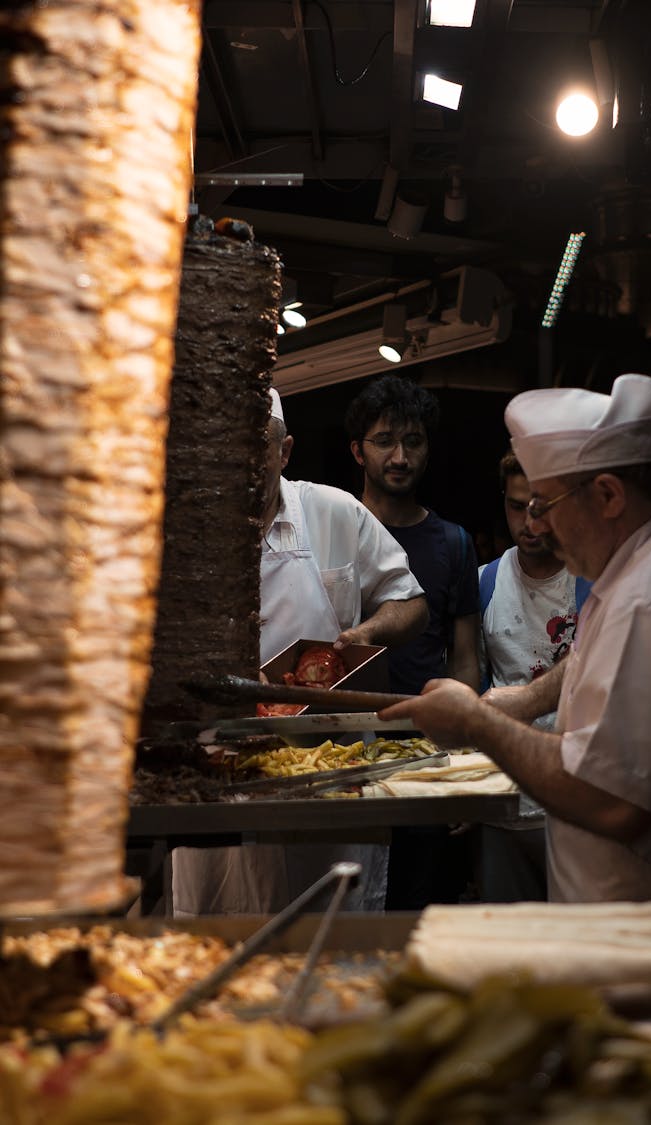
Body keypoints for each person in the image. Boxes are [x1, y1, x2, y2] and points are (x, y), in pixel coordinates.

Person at [377, 373, 651, 1118]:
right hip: (640, 936)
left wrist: (482, 724)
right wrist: (527, 696)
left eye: (548, 504)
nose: (539, 525)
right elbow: (598, 661)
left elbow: (612, 801)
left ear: (609, 495)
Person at [170, 387, 428, 916]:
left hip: (323, 765)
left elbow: (410, 603)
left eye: (257, 445)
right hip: (215, 767)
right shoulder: (183, 528)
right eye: (228, 445)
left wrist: (366, 634)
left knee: (328, 928)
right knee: (215, 930)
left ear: (283, 451)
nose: (241, 460)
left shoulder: (333, 512)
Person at [345, 373, 480, 907]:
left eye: (413, 442)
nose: (399, 457)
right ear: (358, 451)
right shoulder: (333, 528)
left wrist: (464, 765)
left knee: (414, 910)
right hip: (341, 751)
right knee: (342, 905)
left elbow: (465, 659)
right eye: (384, 442)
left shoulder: (453, 542)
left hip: (422, 755)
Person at [476, 449, 578, 901]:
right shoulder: (486, 581)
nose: (529, 523)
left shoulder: (592, 582)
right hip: (503, 803)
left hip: (574, 804)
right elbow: (475, 682)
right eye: (517, 507)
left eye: (540, 508)